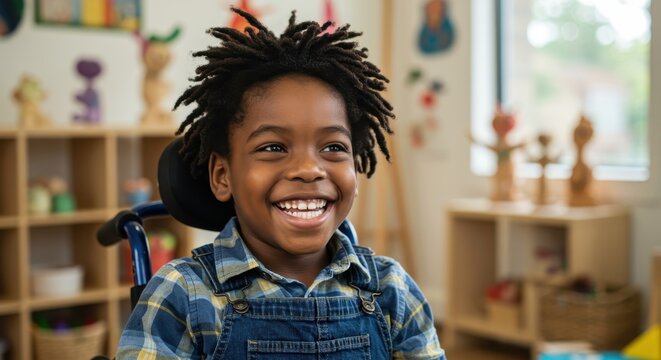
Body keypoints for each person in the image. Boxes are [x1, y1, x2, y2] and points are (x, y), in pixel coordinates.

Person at [117, 8, 445, 359]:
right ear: (222, 175)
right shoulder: (182, 294)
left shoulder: (392, 291)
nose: (308, 169)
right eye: (273, 147)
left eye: (333, 147)